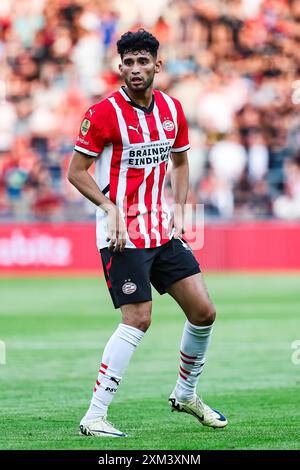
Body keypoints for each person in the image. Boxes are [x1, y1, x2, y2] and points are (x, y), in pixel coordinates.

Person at [68, 29, 227, 437]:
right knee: (138, 319)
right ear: (119, 66)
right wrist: (109, 208)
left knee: (204, 312)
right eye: (129, 62)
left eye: (143, 62)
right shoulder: (103, 113)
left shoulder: (173, 109)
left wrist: (181, 208)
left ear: (158, 65)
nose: (135, 69)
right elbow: (75, 173)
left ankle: (186, 393)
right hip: (122, 234)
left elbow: (180, 162)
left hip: (162, 231)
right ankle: (94, 416)